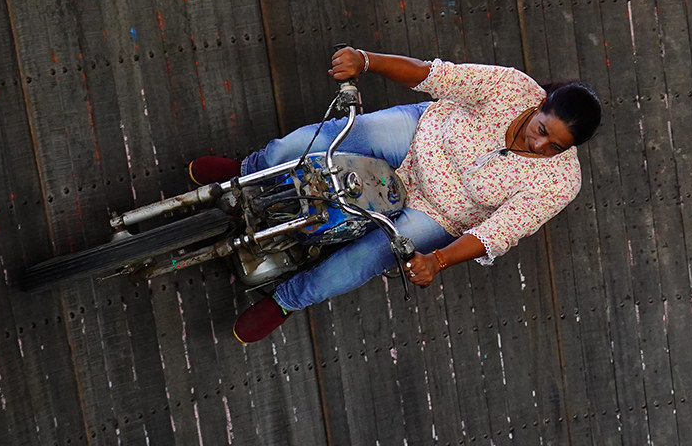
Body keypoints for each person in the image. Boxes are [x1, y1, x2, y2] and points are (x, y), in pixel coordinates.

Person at [190, 48, 602, 343]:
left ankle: (287, 300)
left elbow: (499, 232)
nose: (540, 146)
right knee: (309, 144)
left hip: (438, 212)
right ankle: (247, 172)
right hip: (419, 136)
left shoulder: (560, 182)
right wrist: (365, 61)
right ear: (542, 104)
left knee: (365, 259)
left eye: (556, 147)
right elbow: (432, 75)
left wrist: (437, 260)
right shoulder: (512, 88)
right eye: (543, 130)